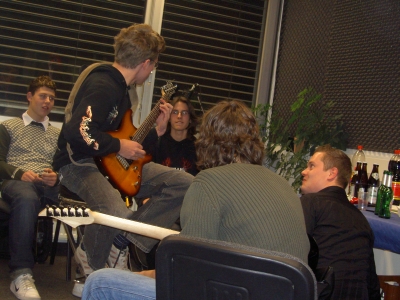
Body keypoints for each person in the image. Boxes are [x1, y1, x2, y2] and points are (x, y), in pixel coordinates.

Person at [81, 99, 310, 300]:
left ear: (208, 141)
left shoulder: (209, 182)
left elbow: (188, 271)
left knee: (100, 282)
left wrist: (138, 276)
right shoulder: (284, 185)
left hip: (235, 292)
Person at [51, 23, 193, 295]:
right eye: (153, 66)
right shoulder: (104, 84)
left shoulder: (124, 91)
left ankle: (121, 242)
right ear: (145, 62)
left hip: (109, 163)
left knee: (183, 183)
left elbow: (129, 142)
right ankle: (91, 264)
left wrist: (158, 131)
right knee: (118, 214)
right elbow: (77, 131)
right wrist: (118, 146)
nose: (152, 72)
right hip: (78, 165)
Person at [0, 75, 60, 300]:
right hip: (17, 184)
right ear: (29, 97)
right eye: (42, 96)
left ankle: (90, 271)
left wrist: (56, 177)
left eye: (52, 98)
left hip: (47, 188)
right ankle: (21, 273)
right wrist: (19, 173)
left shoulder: (58, 135)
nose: (47, 102)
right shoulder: (8, 127)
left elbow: (64, 168)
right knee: (26, 197)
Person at [299, 144, 380, 299]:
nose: (304, 171)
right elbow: (371, 284)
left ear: (331, 173)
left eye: (311, 166)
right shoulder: (361, 220)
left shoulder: (311, 203)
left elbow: (292, 257)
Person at [142, 96, 199, 177]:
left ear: (190, 118)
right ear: (169, 117)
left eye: (184, 113)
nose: (179, 116)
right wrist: (157, 129)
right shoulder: (157, 143)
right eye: (175, 112)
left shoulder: (198, 148)